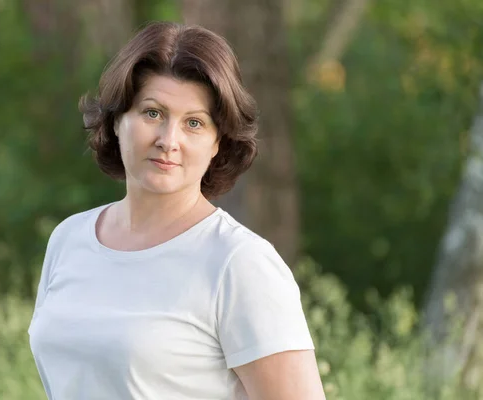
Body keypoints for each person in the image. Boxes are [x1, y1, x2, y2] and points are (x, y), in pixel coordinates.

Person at [28, 21, 326, 400]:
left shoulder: (239, 263)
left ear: (218, 142)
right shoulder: (69, 239)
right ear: (118, 119)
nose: (169, 141)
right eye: (153, 113)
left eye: (194, 123)